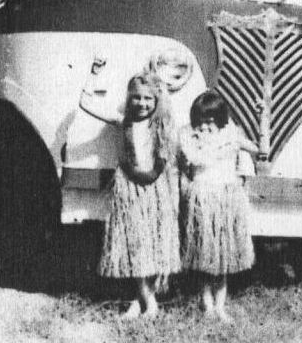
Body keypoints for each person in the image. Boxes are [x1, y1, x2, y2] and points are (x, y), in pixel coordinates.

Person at [79, 67, 180, 318]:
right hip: (129, 191)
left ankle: (143, 300)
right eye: (137, 97)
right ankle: (144, 300)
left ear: (156, 100)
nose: (142, 103)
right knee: (134, 243)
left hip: (155, 191)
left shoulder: (161, 125)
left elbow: (167, 159)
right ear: (128, 97)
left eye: (148, 98)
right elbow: (85, 104)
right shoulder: (123, 122)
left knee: (152, 242)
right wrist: (93, 74)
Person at [179, 90, 258, 322]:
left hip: (225, 199)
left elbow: (256, 148)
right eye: (201, 122)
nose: (205, 127)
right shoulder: (189, 138)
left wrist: (245, 134)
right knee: (205, 253)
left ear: (221, 120)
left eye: (210, 122)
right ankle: (207, 302)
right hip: (203, 197)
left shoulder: (230, 136)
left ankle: (221, 305)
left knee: (223, 256)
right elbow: (191, 158)